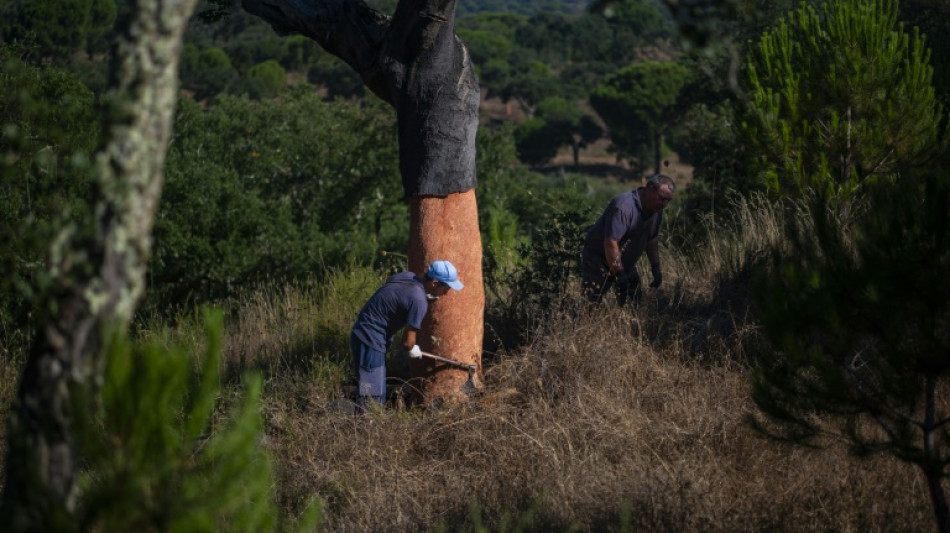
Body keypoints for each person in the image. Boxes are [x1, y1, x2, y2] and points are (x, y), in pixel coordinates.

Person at [350, 260, 464, 410]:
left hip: (361, 331)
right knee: (372, 397)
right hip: (371, 339)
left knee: (372, 390)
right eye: (447, 287)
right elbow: (407, 343)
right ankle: (363, 430)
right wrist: (412, 349)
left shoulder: (407, 276)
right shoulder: (418, 300)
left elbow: (395, 290)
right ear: (435, 283)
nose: (446, 293)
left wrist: (417, 300)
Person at [581, 173, 676, 305]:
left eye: (668, 200)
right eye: (662, 198)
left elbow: (652, 238)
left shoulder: (656, 210)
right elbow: (610, 243)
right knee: (591, 302)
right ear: (650, 188)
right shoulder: (623, 207)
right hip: (599, 258)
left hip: (624, 262)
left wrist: (655, 267)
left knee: (635, 301)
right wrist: (620, 275)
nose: (664, 204)